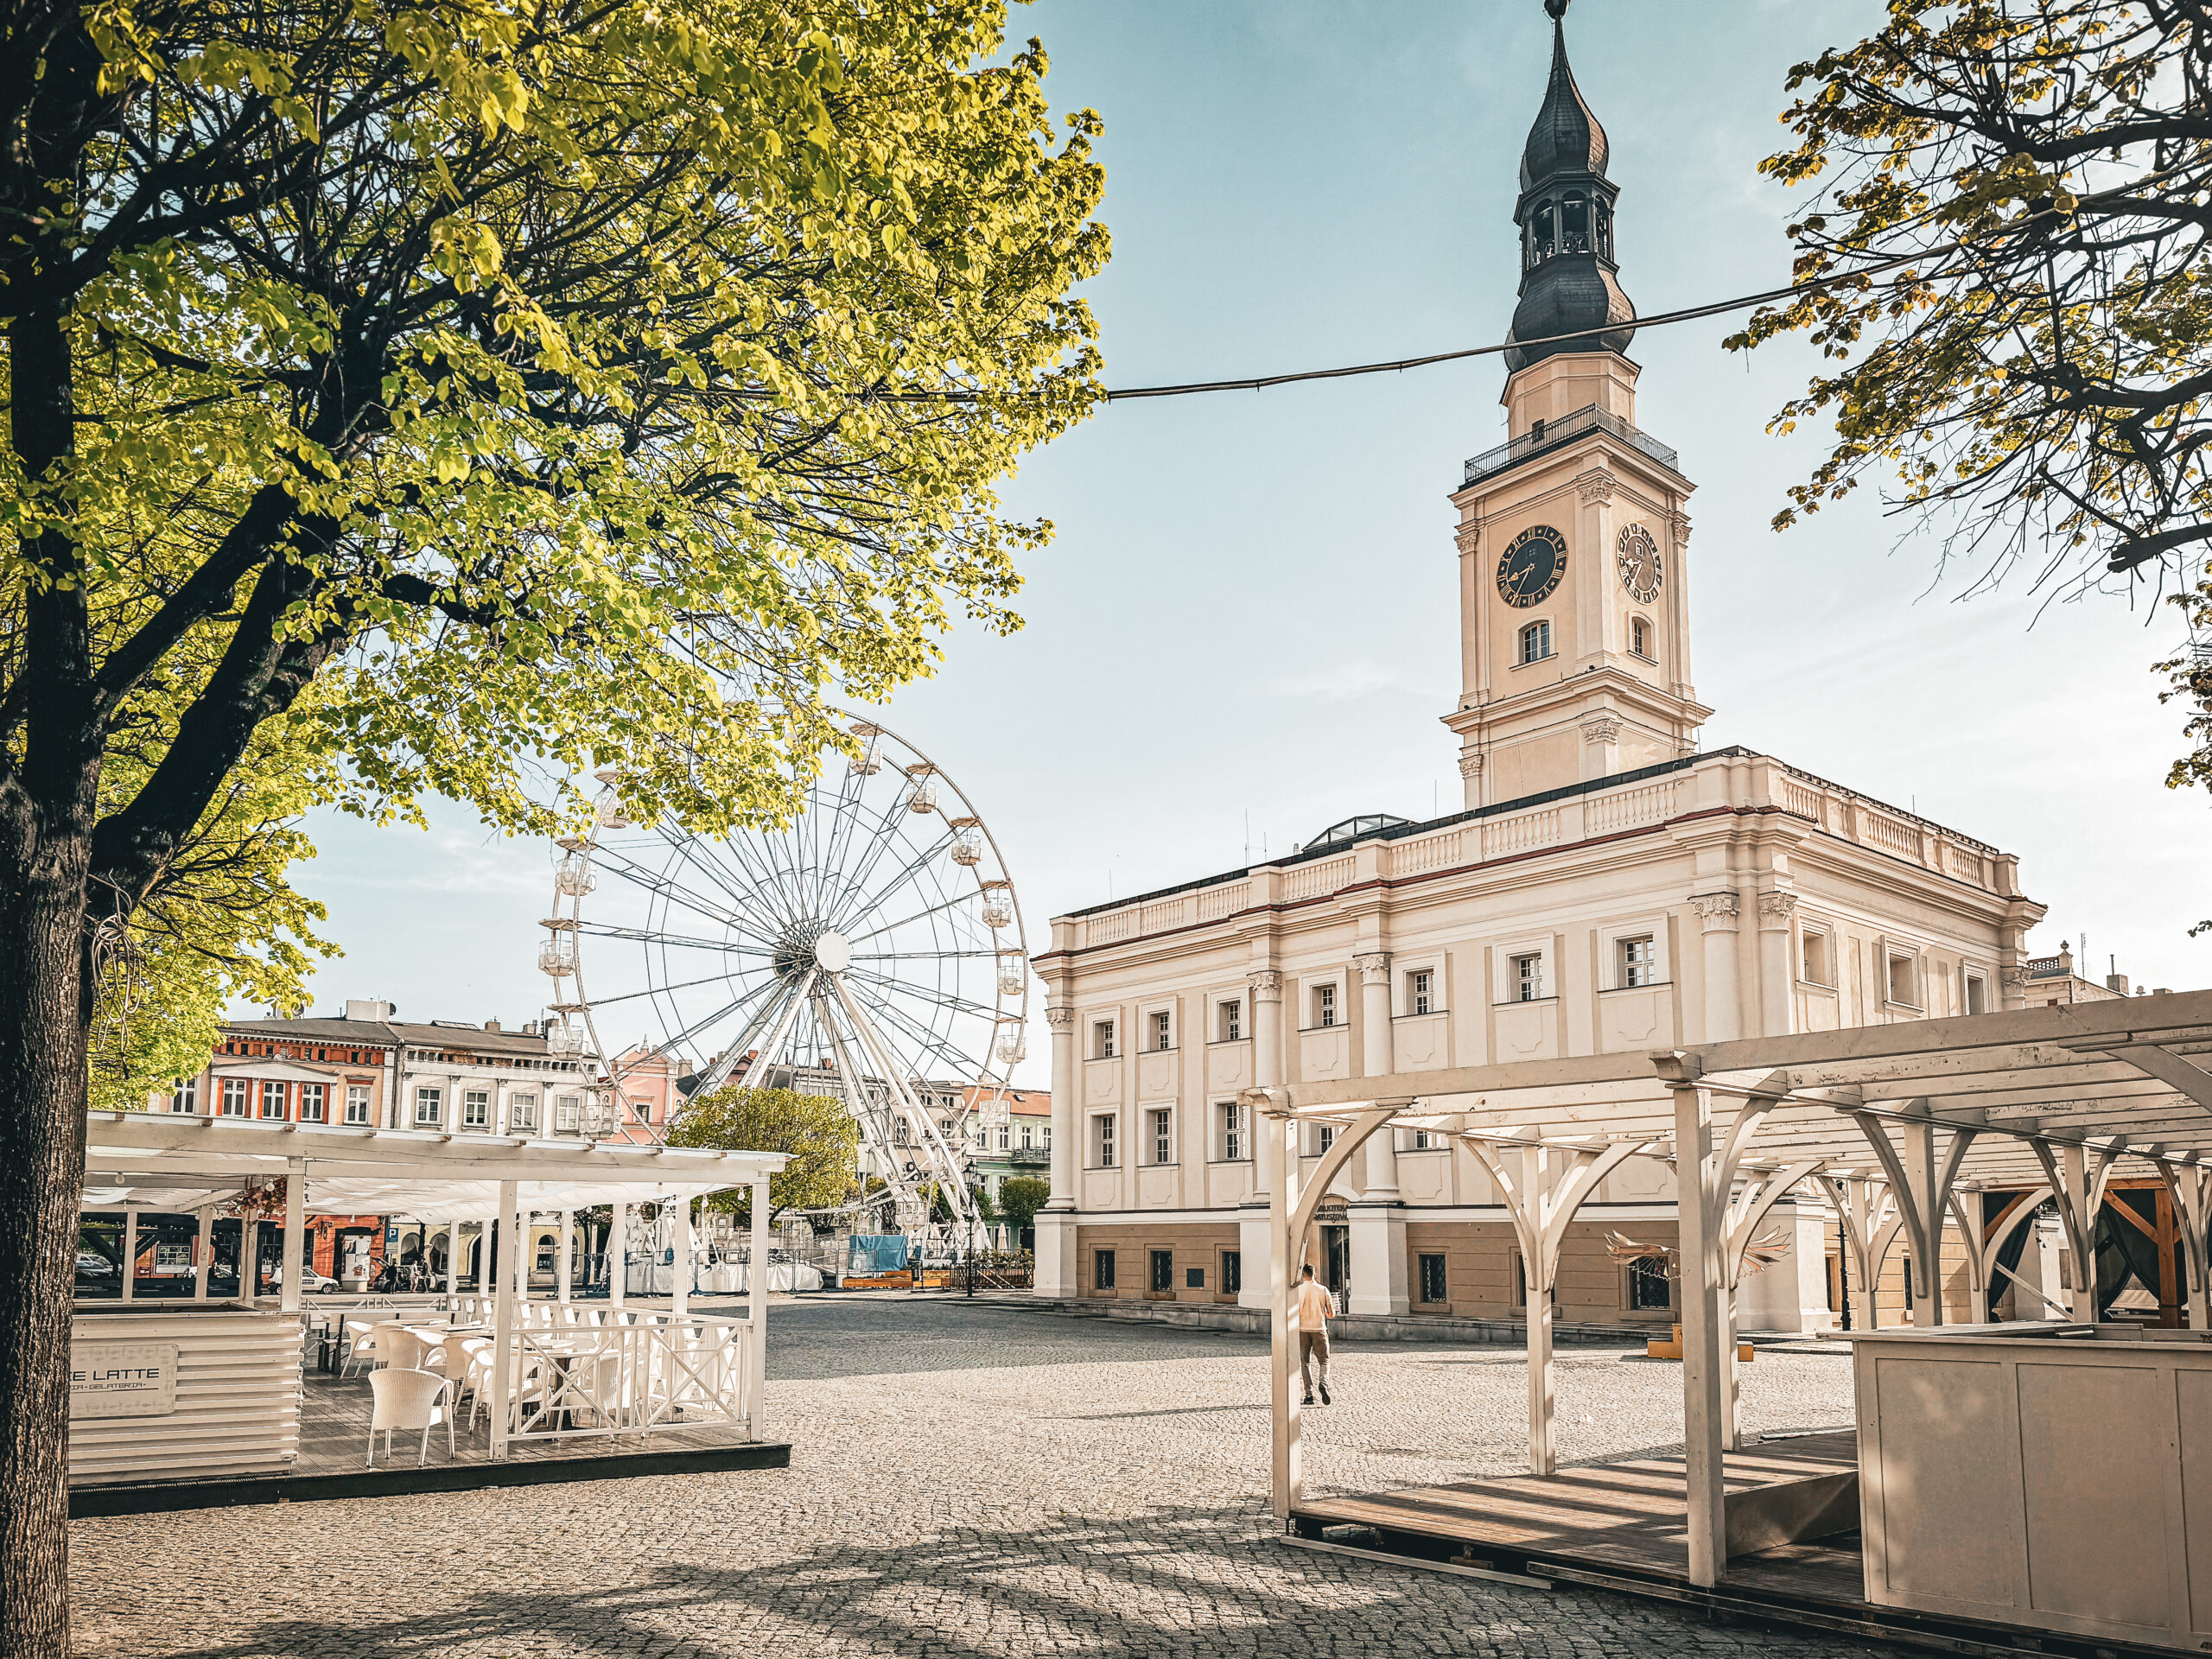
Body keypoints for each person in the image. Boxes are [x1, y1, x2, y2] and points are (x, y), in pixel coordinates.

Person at [1294, 1262, 1335, 1406]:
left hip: (1302, 1329)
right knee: (1324, 1361)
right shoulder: (1323, 1289)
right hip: (1319, 1329)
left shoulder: (1297, 1290)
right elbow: (1332, 1313)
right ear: (1314, 1274)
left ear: (1303, 1275)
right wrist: (1324, 1313)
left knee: (1305, 1363)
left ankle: (1308, 1394)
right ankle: (1323, 1383)